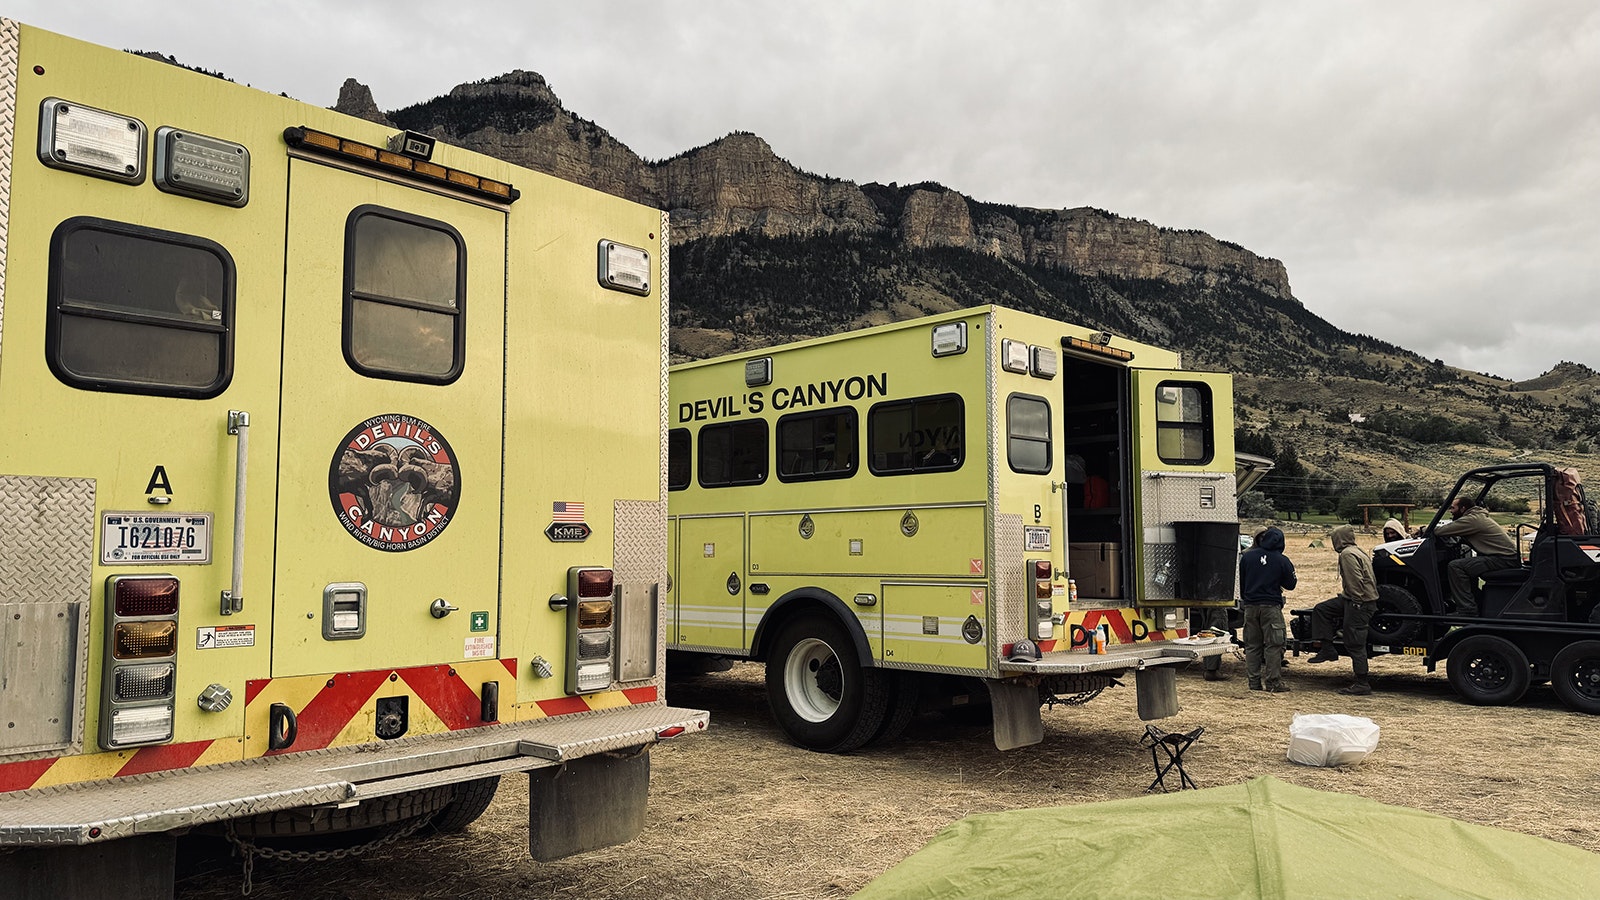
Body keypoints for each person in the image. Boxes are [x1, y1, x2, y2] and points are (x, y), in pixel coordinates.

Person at [1307, 524, 1379, 695]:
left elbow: (1355, 579)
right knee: (1322, 610)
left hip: (1359, 602)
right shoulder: (1358, 550)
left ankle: (1362, 682)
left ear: (1338, 539)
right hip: (1353, 599)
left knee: (1354, 641)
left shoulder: (1347, 554)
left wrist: (1356, 601)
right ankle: (1327, 649)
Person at [1428, 496, 1519, 616]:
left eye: (1453, 508)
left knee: (1456, 566)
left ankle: (1467, 610)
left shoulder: (1472, 520)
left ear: (1463, 508)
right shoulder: (1477, 517)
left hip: (1503, 559)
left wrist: (1425, 530)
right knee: (1468, 565)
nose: (1451, 511)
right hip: (1505, 557)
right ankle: (1478, 603)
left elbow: (1440, 531)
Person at [1239, 526, 1297, 692]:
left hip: (1250, 607)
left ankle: (1254, 682)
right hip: (1271, 607)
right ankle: (1273, 682)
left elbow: (1241, 583)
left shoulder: (1247, 557)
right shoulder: (1282, 560)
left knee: (1252, 645)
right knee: (1274, 644)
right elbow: (1291, 584)